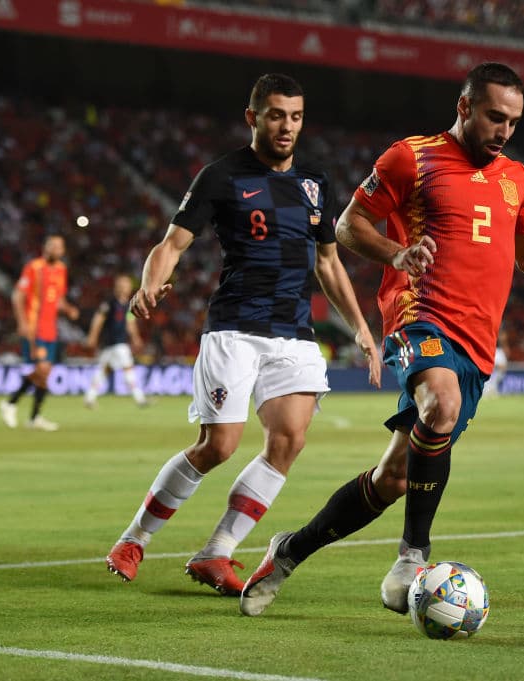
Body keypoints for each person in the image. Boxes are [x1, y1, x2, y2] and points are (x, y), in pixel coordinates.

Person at [238, 62, 524, 617]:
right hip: (418, 316)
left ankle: (289, 551)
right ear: (464, 107)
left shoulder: (517, 179)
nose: (504, 130)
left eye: (513, 121)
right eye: (494, 116)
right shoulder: (412, 156)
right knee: (441, 401)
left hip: (476, 343)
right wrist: (396, 254)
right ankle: (413, 556)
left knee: (395, 478)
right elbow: (346, 226)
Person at [104, 73, 381, 596]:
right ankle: (135, 537)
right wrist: (149, 285)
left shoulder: (315, 183)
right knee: (218, 445)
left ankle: (217, 553)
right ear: (253, 117)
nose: (286, 126)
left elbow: (329, 263)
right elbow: (172, 243)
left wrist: (363, 330)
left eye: (295, 116)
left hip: (294, 334)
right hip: (235, 328)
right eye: (276, 115)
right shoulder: (222, 176)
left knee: (289, 439)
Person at [0, 234, 80, 431]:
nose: (56, 249)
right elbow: (17, 296)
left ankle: (33, 417)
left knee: (45, 374)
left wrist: (68, 309)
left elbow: (57, 298)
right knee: (42, 369)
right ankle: (10, 403)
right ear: (45, 247)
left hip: (51, 328)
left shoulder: (61, 269)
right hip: (34, 328)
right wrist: (22, 323)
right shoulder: (34, 267)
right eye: (52, 245)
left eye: (60, 246)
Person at [83, 274, 149, 408]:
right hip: (114, 342)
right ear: (117, 287)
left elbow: (130, 322)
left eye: (127, 285)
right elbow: (98, 319)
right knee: (127, 368)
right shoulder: (110, 303)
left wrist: (136, 338)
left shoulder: (128, 305)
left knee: (103, 370)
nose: (126, 288)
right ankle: (140, 398)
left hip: (117, 343)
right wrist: (92, 337)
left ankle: (89, 397)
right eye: (123, 285)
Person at [481, 327, 510, 398]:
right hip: (487, 379)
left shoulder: (501, 351)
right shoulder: (490, 347)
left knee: (492, 389)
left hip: (494, 379)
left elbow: (504, 367)